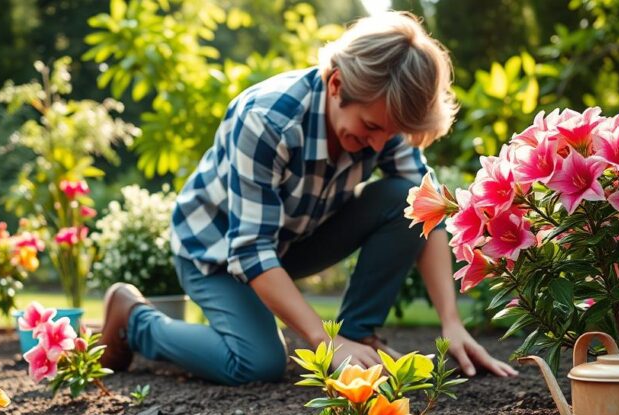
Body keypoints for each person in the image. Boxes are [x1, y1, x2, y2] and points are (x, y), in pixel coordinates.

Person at [99, 11, 518, 385]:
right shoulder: (267, 121)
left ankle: (359, 337)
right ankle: (136, 321)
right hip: (215, 250)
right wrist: (325, 343)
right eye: (370, 127)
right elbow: (250, 251)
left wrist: (451, 322)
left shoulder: (383, 122)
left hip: (292, 241)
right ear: (337, 83)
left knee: (405, 198)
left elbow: (425, 214)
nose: (378, 145)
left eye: (389, 135)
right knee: (258, 363)